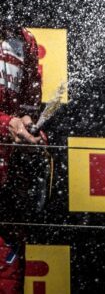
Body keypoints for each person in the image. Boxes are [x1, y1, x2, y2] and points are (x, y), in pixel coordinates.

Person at [0, 25, 45, 293]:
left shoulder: (24, 38)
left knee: (8, 282)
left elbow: (28, 107)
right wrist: (7, 125)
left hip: (9, 191)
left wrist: (31, 130)